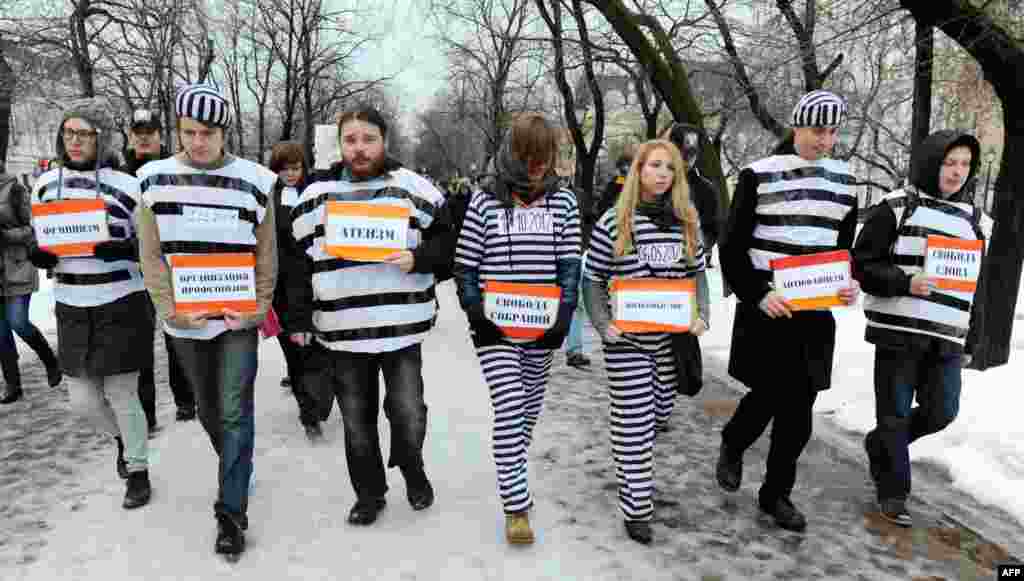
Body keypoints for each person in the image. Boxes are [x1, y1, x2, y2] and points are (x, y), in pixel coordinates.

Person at [289, 106, 449, 527]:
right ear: (340, 145)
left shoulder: (414, 189)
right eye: (350, 140)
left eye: (368, 139)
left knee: (409, 413)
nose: (359, 149)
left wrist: (419, 257)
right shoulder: (314, 197)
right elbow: (294, 263)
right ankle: (369, 493)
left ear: (385, 141)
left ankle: (411, 466)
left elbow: (450, 244)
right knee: (358, 425)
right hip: (342, 335)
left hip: (400, 331)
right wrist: (299, 318)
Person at [136, 83, 277, 558]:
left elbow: (266, 255)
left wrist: (257, 310)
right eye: (188, 131)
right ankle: (236, 464)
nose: (197, 142)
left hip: (236, 319)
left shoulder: (255, 180)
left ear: (224, 132)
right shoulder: (153, 178)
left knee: (236, 409)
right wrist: (171, 309)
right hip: (186, 321)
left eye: (208, 132)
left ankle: (231, 511)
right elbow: (151, 256)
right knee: (210, 410)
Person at [715, 90, 860, 532]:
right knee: (766, 396)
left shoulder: (846, 181)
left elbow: (841, 250)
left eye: (833, 132)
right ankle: (733, 442)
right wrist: (758, 293)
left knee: (799, 411)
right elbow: (732, 247)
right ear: (797, 127)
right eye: (818, 130)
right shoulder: (757, 175)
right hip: (768, 307)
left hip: (814, 314)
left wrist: (845, 285)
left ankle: (776, 494)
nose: (825, 140)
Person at [454, 113, 582, 545]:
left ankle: (511, 462)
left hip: (542, 325)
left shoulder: (564, 203)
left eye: (544, 157)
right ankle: (516, 507)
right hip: (495, 326)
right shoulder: (484, 201)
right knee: (509, 408)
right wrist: (476, 315)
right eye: (529, 157)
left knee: (526, 414)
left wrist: (562, 319)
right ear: (513, 153)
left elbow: (569, 265)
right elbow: (466, 265)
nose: (537, 166)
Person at [853, 130, 986, 527]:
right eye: (949, 162)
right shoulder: (897, 206)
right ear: (932, 163)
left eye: (964, 164)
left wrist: (971, 337)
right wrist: (904, 281)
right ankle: (894, 491)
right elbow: (862, 264)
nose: (956, 171)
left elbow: (977, 287)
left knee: (943, 410)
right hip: (898, 331)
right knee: (893, 412)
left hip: (945, 338)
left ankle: (881, 445)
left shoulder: (975, 220)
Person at [28, 97, 153, 509]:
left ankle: (137, 470)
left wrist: (120, 248)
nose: (76, 141)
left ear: (102, 138)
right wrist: (40, 253)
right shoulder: (46, 185)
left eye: (85, 134)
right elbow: (41, 235)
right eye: (70, 133)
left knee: (122, 391)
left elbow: (149, 247)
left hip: (120, 300)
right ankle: (121, 439)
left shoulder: (128, 186)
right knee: (81, 400)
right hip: (71, 301)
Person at [583, 139, 708, 544]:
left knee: (656, 412)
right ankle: (637, 506)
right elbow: (592, 278)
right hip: (628, 342)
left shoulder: (687, 218)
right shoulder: (614, 221)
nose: (662, 174)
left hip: (671, 343)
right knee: (633, 420)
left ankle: (630, 462)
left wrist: (702, 314)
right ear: (639, 170)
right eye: (654, 165)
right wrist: (604, 325)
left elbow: (699, 273)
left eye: (670, 168)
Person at [123, 108, 197, 427]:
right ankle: (147, 414)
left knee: (175, 334)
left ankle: (185, 400)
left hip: (171, 265)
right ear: (130, 136)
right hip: (130, 272)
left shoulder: (175, 169)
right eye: (137, 131)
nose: (143, 136)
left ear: (160, 136)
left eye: (149, 131)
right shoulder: (120, 175)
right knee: (139, 345)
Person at [268, 141, 323, 441]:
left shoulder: (316, 192)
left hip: (314, 283)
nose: (290, 174)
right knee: (293, 351)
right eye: (284, 169)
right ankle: (308, 413)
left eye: (295, 167)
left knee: (314, 349)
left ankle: (317, 401)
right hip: (281, 288)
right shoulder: (268, 196)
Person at [0, 171, 62, 405]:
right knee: (0, 333)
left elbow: (33, 229)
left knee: (18, 322)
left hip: (17, 267)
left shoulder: (15, 189)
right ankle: (13, 385)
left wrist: (5, 235)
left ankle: (50, 361)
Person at [662, 122, 720, 267]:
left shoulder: (706, 190)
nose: (686, 158)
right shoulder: (652, 183)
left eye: (692, 152)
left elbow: (710, 230)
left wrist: (694, 248)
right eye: (680, 151)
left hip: (688, 269)